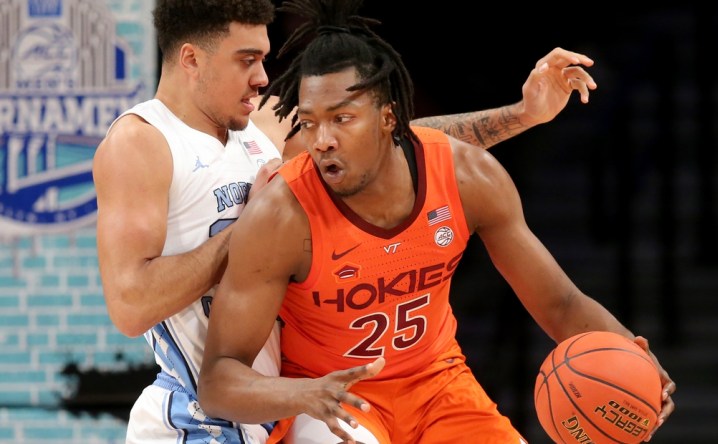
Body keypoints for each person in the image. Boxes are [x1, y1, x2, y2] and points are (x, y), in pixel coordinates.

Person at [92, 0, 600, 442]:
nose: (263, 77)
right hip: (198, 411)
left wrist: (523, 115)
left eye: (264, 59)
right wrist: (246, 235)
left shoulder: (262, 122)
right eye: (247, 60)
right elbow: (132, 306)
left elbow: (389, 141)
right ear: (191, 60)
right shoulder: (142, 141)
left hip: (279, 404)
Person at [196, 0, 676, 443]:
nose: (322, 140)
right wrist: (301, 395)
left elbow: (561, 303)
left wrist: (636, 365)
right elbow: (219, 379)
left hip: (439, 387)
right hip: (332, 401)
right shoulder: (281, 215)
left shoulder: (467, 176)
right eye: (309, 122)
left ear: (389, 118)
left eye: (342, 119)